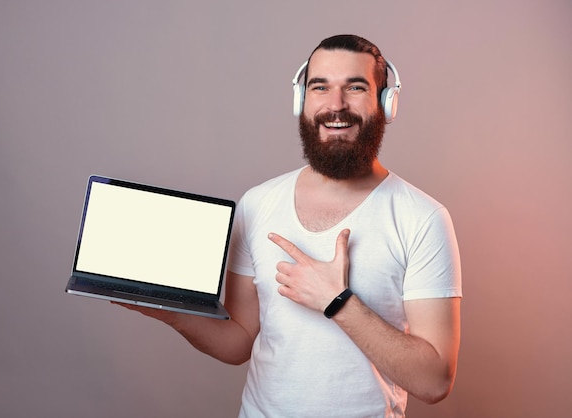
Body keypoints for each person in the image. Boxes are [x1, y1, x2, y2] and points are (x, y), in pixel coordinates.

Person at [116, 34, 462, 418]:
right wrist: (170, 312)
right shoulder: (258, 203)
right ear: (301, 100)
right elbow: (240, 340)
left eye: (356, 87)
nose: (336, 105)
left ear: (385, 103)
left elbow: (434, 381)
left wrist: (339, 303)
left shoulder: (422, 219)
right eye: (320, 87)